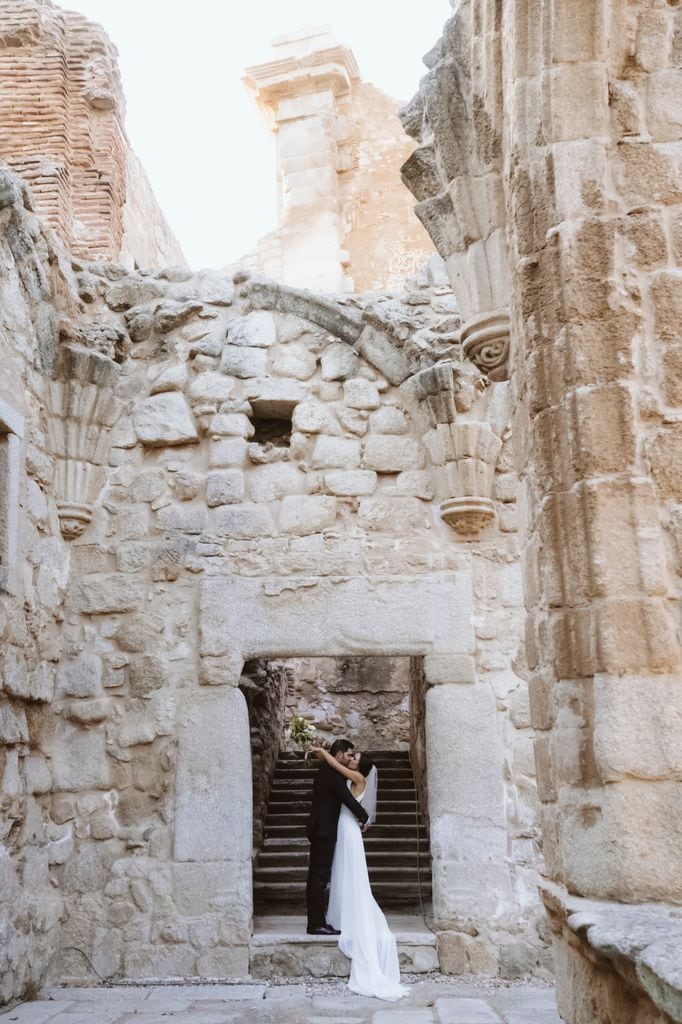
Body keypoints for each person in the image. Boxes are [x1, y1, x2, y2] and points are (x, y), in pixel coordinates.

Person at [310, 745, 409, 1001]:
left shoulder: (359, 778)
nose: (351, 759)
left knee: (349, 874)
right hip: (343, 827)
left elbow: (335, 767)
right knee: (342, 873)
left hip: (346, 829)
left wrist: (323, 752)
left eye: (355, 758)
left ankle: (348, 916)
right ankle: (340, 915)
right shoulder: (353, 777)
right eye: (351, 755)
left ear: (360, 767)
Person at [306, 738, 369, 935]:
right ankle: (316, 924)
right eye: (349, 754)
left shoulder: (333, 771)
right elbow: (347, 798)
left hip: (324, 829)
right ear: (340, 754)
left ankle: (318, 921)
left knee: (320, 875)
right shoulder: (331, 773)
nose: (351, 758)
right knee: (318, 876)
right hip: (323, 830)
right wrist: (364, 816)